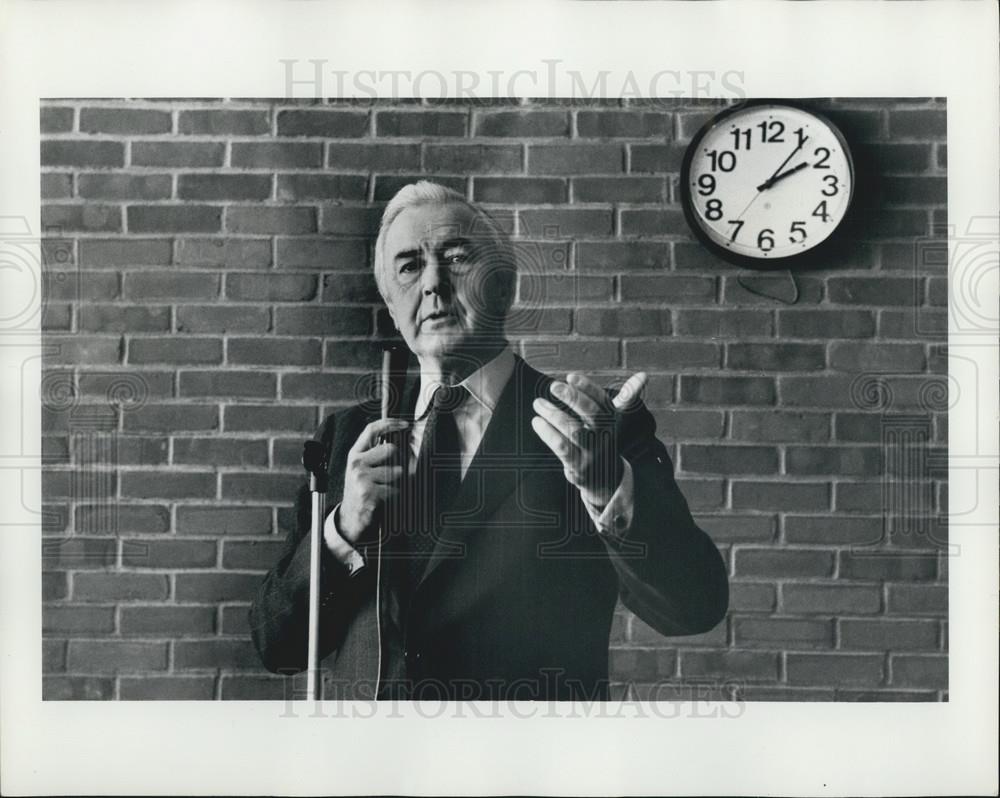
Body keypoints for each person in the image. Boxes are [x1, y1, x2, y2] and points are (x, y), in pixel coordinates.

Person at [249, 181, 728, 701]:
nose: (433, 282)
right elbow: (278, 646)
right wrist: (341, 531)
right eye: (409, 266)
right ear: (391, 306)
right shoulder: (343, 438)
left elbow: (693, 606)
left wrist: (607, 485)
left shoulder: (594, 425)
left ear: (504, 285)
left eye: (456, 257)